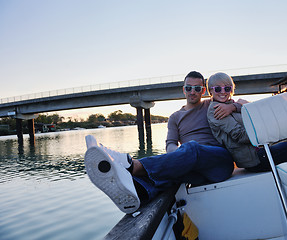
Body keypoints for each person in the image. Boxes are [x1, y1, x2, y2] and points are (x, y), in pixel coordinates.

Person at [84, 71, 243, 214]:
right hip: (196, 171)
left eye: (197, 88)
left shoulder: (213, 103)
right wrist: (179, 157)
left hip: (219, 163)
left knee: (192, 148)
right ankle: (137, 192)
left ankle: (131, 165)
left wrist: (233, 107)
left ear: (204, 91)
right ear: (183, 89)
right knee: (174, 171)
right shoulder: (175, 117)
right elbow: (171, 145)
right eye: (189, 88)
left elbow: (248, 106)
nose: (192, 92)